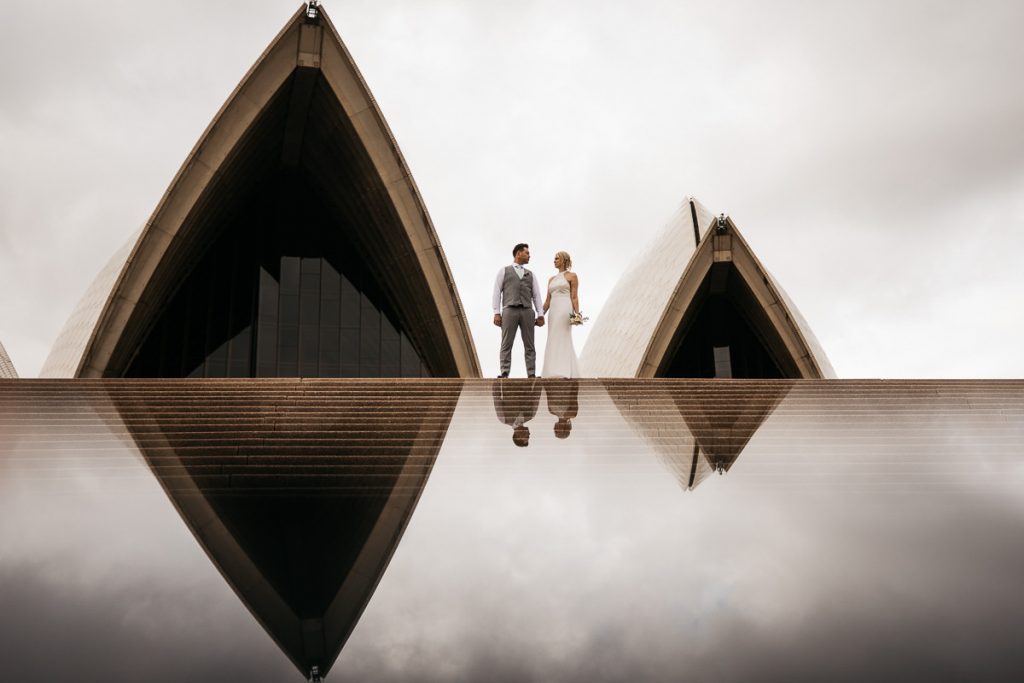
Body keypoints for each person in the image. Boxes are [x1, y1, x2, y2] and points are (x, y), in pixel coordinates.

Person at [492, 243, 545, 378]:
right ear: (518, 253)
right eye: (527, 253)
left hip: (527, 311)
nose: (529, 255)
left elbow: (537, 295)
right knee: (506, 343)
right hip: (509, 310)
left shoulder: (531, 275)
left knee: (530, 344)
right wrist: (496, 312)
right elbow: (497, 292)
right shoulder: (504, 271)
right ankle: (504, 372)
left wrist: (540, 314)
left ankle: (531, 373)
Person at [541, 251, 582, 378]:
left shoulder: (572, 276)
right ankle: (552, 370)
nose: (554, 260)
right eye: (554, 258)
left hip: (565, 308)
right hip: (553, 310)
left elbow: (574, 297)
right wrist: (540, 315)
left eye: (557, 258)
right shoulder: (551, 280)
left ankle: (564, 370)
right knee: (553, 337)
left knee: (563, 336)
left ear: (564, 260)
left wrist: (577, 315)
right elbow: (548, 300)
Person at [493, 378, 542, 447]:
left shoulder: (504, 419)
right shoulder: (531, 415)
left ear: (518, 436)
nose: (529, 434)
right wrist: (539, 381)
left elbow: (496, 398)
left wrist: (497, 380)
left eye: (527, 437)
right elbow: (536, 396)